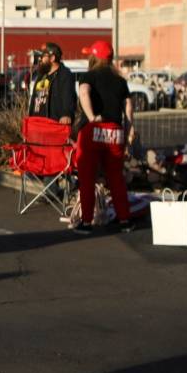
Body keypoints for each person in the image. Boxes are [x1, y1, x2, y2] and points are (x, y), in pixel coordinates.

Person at [72, 39, 135, 234]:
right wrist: (129, 129)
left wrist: (91, 117)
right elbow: (128, 107)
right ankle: (125, 220)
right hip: (115, 131)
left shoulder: (88, 76)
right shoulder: (120, 80)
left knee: (87, 177)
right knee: (116, 177)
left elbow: (83, 93)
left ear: (94, 57)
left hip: (93, 130)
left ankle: (87, 222)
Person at [29, 42, 77, 125]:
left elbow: (69, 96)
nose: (39, 59)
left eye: (42, 56)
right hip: (38, 124)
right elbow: (34, 99)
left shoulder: (65, 75)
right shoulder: (41, 76)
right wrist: (30, 119)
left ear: (52, 58)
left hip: (55, 125)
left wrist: (66, 114)